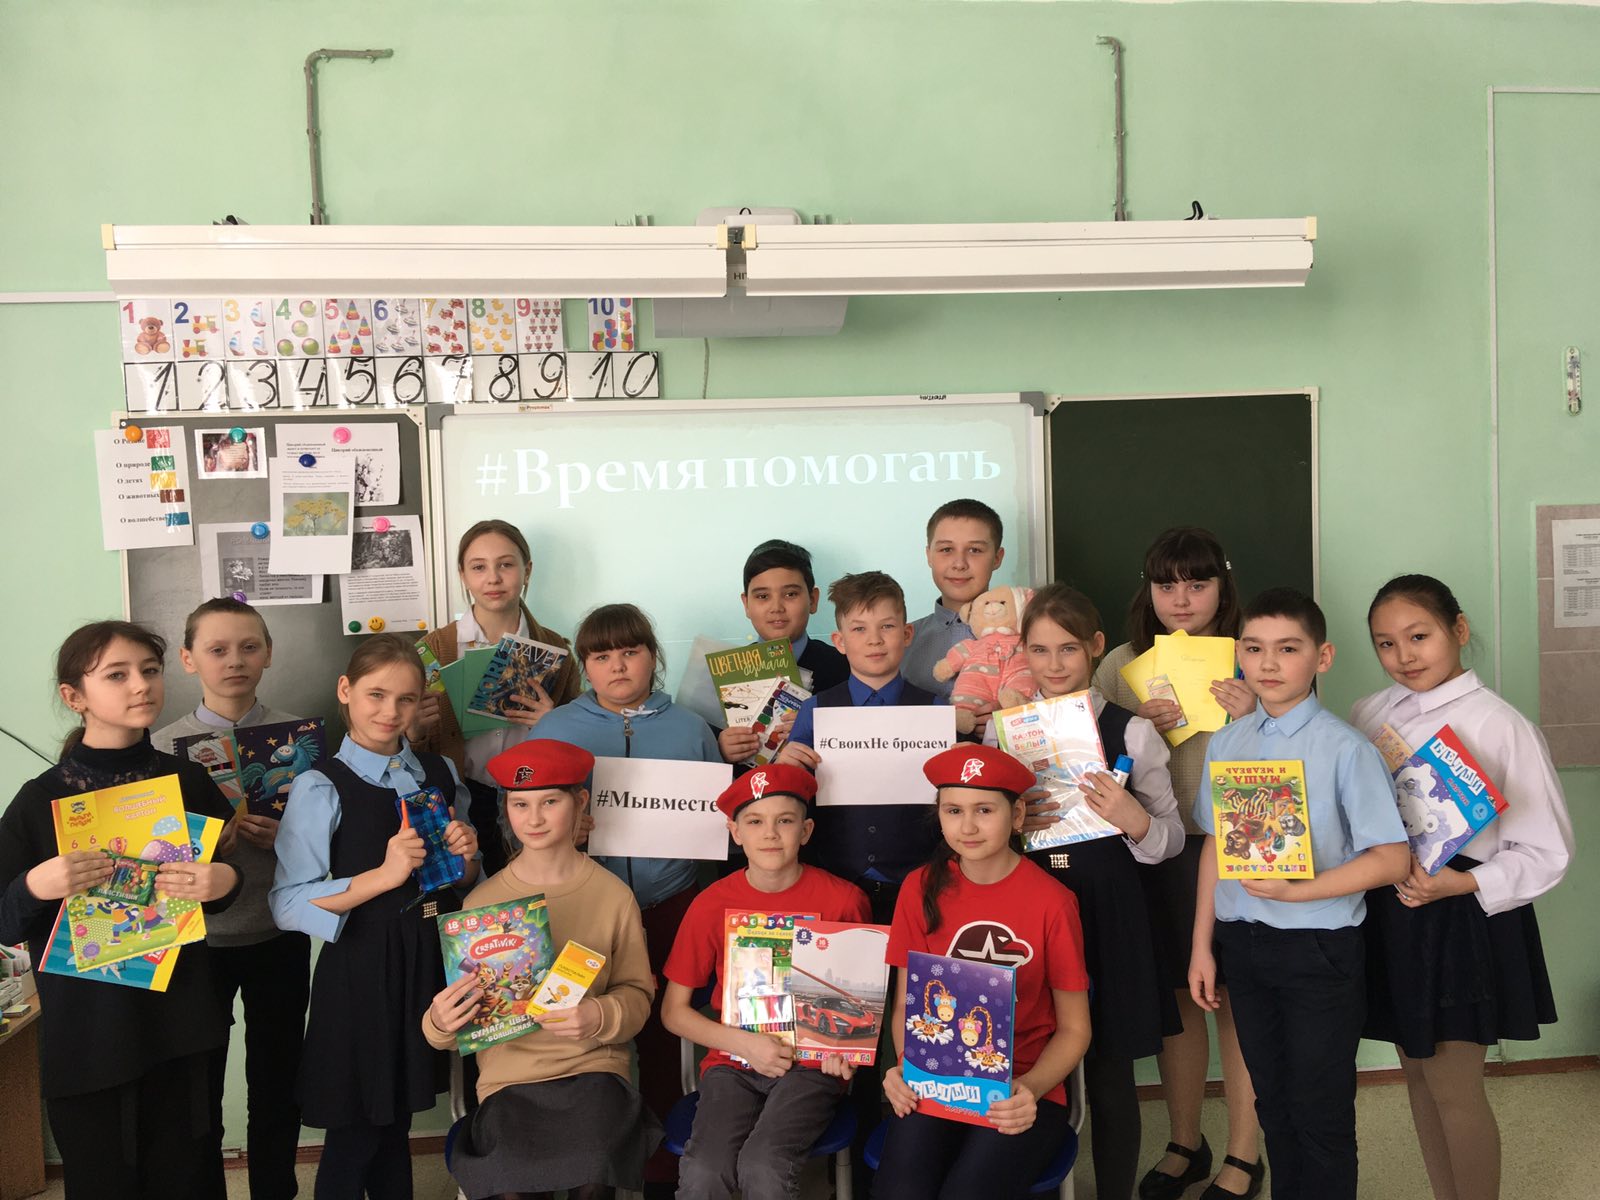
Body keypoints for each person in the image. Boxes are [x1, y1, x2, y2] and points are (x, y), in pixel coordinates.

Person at [0, 621, 241, 1198]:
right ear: (74, 696)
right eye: (117, 675)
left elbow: (216, 892)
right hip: (89, 1036)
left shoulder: (188, 780)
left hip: (180, 1024)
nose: (141, 685)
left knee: (189, 1177)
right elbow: (5, 918)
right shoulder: (40, 801)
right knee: (102, 1181)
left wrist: (224, 880)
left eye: (150, 670)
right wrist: (36, 884)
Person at [1351, 574, 1573, 1200]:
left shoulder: (1501, 725)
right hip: (1394, 908)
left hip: (1460, 916)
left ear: (1459, 629)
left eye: (1419, 636)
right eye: (1386, 643)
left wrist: (1461, 884)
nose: (1404, 655)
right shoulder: (1369, 713)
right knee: (1418, 1079)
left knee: (1454, 1088)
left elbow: (1548, 851)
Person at [1189, 589, 1409, 1200]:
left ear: (1322, 657)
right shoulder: (1228, 742)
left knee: (1321, 1111)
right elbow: (1215, 845)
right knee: (1274, 1104)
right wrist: (1202, 944)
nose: (1268, 663)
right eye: (1254, 648)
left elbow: (1391, 859)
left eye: (1288, 649)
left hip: (1319, 948)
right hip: (1243, 943)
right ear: (1238, 655)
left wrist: (1296, 891)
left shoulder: (1346, 748)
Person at [521, 601, 720, 1198]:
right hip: (582, 910)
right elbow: (518, 825)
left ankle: (661, 1172)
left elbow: (719, 827)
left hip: (671, 905)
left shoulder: (690, 728)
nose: (617, 666)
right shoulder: (555, 729)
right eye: (601, 656)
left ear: (652, 657)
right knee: (582, 1041)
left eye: (630, 652)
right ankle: (584, 1172)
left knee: (664, 1039)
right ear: (584, 665)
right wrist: (564, 831)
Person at [271, 634, 480, 1200]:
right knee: (358, 1127)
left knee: (395, 1123)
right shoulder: (320, 785)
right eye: (376, 695)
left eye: (406, 699)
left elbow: (465, 882)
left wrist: (467, 855)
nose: (391, 712)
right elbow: (287, 904)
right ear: (346, 690)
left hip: (430, 960)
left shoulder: (440, 771)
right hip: (362, 969)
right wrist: (384, 876)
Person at [1092, 526, 1261, 1200]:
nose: (1182, 599)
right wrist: (1135, 727)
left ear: (1223, 585)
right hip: (1157, 852)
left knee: (1238, 1002)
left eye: (1197, 583)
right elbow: (1086, 760)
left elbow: (1306, 751)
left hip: (1240, 851)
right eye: (1167, 585)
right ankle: (1186, 1142)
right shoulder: (1121, 665)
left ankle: (1245, 1154)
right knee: (1178, 1003)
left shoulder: (1256, 654)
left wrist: (1257, 717)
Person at [1006, 584, 1185, 1200]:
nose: (1054, 664)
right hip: (1031, 913)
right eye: (1039, 650)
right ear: (1023, 653)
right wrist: (1012, 823)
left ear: (1095, 647)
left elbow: (1171, 838)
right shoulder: (1008, 733)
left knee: (1109, 1074)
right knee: (1025, 1056)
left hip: (1107, 914)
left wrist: (1133, 819)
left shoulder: (1132, 731)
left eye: (1068, 649)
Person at [425, 739, 659, 1200]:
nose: (533, 819)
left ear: (580, 802)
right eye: (520, 804)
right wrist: (439, 1023)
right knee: (510, 1184)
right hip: (508, 1083)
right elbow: (454, 1027)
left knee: (594, 1173)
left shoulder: (614, 896)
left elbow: (637, 995)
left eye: (550, 802)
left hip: (594, 1073)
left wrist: (599, 1014)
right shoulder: (481, 904)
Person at [875, 744, 1091, 1200]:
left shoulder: (1053, 902)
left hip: (1021, 1085)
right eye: (953, 810)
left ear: (1017, 815)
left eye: (985, 810)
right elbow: (905, 1009)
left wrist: (1031, 1089)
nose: (968, 826)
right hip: (936, 1079)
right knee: (900, 1189)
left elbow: (1075, 1029)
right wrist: (906, 1067)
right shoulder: (919, 887)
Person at [152, 598, 307, 1200]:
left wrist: (288, 834)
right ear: (189, 659)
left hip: (279, 930)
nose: (234, 660)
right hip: (196, 942)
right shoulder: (160, 748)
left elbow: (332, 846)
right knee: (198, 1087)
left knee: (278, 1080)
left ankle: (276, 1190)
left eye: (248, 647)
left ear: (269, 653)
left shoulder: (302, 739)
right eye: (217, 649)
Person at [661, 765, 870, 1200]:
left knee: (764, 1164)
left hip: (810, 1068)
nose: (770, 834)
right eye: (755, 822)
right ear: (735, 832)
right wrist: (743, 1044)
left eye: (785, 821)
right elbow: (673, 1012)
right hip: (731, 1064)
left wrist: (843, 1052)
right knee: (704, 1170)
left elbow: (857, 1007)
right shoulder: (710, 904)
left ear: (806, 831)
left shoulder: (844, 901)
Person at [412, 519, 581, 874]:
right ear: (462, 575)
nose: (493, 578)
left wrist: (554, 723)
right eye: (478, 567)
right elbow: (408, 749)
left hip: (533, 800)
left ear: (527, 570)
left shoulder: (557, 650)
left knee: (535, 892)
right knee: (469, 892)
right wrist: (414, 730)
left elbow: (579, 741)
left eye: (505, 564)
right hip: (459, 797)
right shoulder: (432, 650)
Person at [778, 571, 943, 921]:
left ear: (907, 634)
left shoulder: (936, 710)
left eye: (887, 627)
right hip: (835, 879)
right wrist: (785, 770)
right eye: (859, 629)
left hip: (919, 882)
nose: (874, 640)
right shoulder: (815, 710)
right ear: (839, 641)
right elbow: (790, 798)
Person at [717, 538, 850, 766]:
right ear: (746, 604)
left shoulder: (845, 668)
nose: (776, 607)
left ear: (813, 600)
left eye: (790, 594)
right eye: (762, 596)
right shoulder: (724, 675)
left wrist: (822, 733)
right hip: (751, 787)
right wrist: (720, 749)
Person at [901, 499, 1008, 701]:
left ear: (997, 558)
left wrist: (1012, 715)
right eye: (946, 550)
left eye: (975, 550)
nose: (959, 564)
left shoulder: (1028, 637)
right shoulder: (902, 642)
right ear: (929, 555)